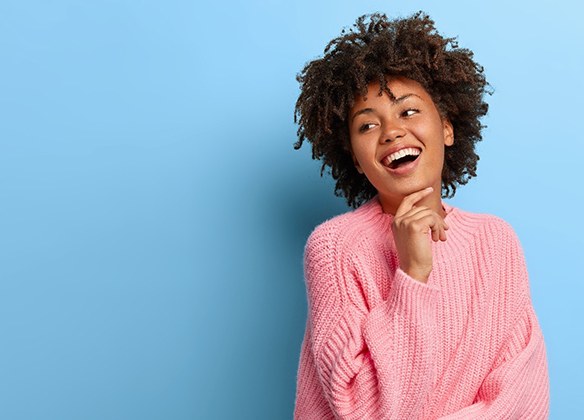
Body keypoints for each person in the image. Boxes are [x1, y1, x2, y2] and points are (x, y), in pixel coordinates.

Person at [293, 12, 549, 419]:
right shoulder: (335, 249)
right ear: (356, 160)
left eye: (408, 112)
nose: (391, 132)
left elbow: (523, 400)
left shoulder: (495, 242)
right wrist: (412, 274)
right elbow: (361, 408)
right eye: (367, 125)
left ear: (447, 128)